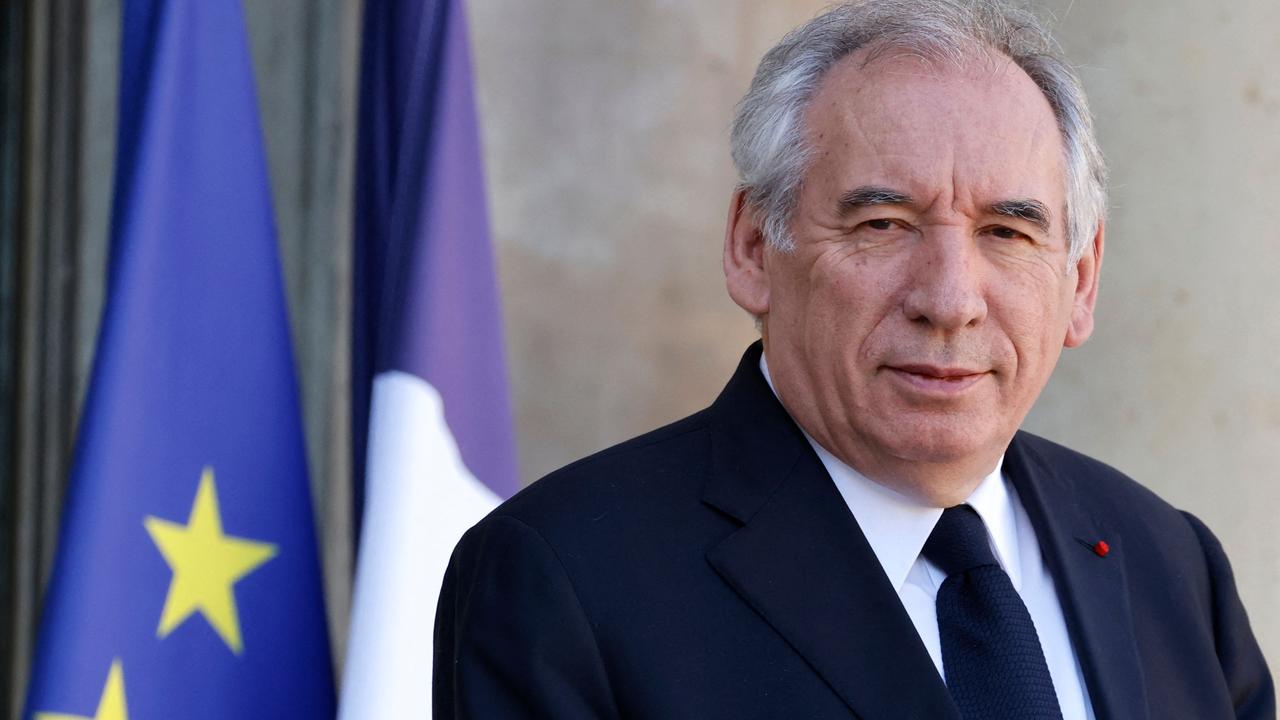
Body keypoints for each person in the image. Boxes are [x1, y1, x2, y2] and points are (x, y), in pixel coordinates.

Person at [434, 1, 1275, 718]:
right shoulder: (565, 579)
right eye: (883, 225)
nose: (949, 299)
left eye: (1007, 233)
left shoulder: (1171, 565)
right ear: (755, 247)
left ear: (1081, 283)